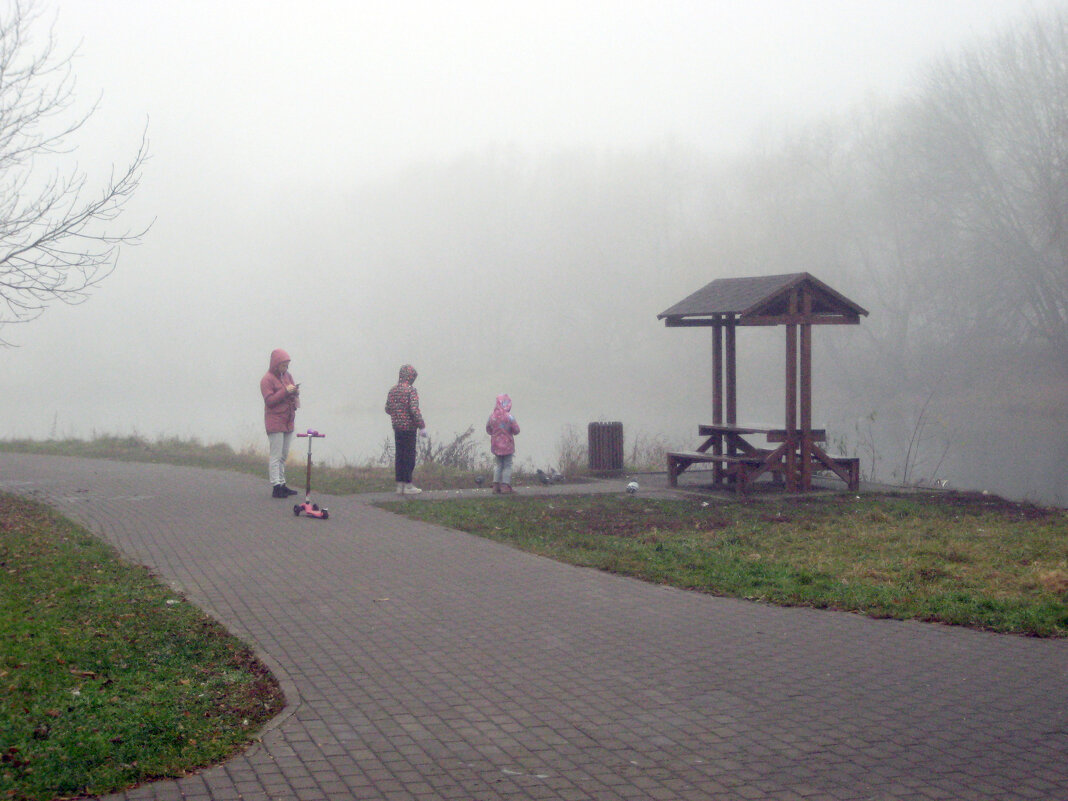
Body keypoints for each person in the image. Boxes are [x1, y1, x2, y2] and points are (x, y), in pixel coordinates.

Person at [260, 348, 300, 498]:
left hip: (288, 419)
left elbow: (290, 392)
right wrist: (285, 391)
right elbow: (270, 401)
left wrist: (295, 391)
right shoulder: (267, 380)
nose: (286, 368)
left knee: (284, 455)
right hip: (275, 420)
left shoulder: (288, 376)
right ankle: (276, 486)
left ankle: (283, 484)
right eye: (283, 365)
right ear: (276, 364)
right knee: (276, 455)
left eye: (287, 365)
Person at [385, 364, 425, 494]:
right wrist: (421, 426)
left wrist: (397, 414)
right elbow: (414, 410)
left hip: (397, 427)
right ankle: (408, 485)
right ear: (411, 377)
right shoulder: (411, 391)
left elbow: (387, 408)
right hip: (409, 428)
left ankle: (399, 485)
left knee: (400, 456)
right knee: (409, 456)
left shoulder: (392, 390)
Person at [486, 393, 521, 494]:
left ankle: (495, 485)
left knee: (498, 464)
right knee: (507, 465)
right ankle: (505, 485)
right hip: (507, 446)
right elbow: (517, 430)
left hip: (496, 445)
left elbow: (488, 429)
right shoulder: (509, 417)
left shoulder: (492, 417)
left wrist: (494, 434)